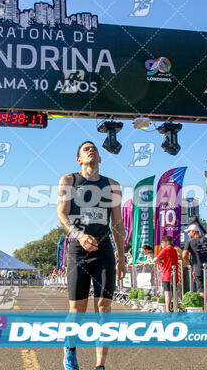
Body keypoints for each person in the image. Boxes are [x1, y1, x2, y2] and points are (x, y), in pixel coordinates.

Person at [57, 141, 126, 370]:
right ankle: (69, 351)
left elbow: (117, 224)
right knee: (77, 309)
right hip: (78, 250)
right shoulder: (69, 180)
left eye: (93, 148)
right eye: (85, 149)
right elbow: (62, 215)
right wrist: (79, 236)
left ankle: (100, 366)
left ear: (100, 159)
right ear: (79, 159)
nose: (91, 149)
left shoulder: (112, 185)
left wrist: (122, 258)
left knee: (104, 309)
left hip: (104, 250)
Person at [183, 224, 207, 304]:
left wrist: (190, 263)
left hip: (198, 267)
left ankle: (204, 308)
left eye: (189, 232)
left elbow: (184, 255)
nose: (188, 234)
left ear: (194, 231)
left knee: (201, 288)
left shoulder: (190, 242)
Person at [152, 236, 179, 313]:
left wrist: (159, 263)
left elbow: (154, 260)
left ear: (167, 242)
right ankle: (175, 309)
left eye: (162, 243)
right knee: (175, 291)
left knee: (167, 292)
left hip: (166, 274)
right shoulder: (174, 250)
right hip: (174, 273)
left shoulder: (165, 250)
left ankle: (168, 310)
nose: (161, 245)